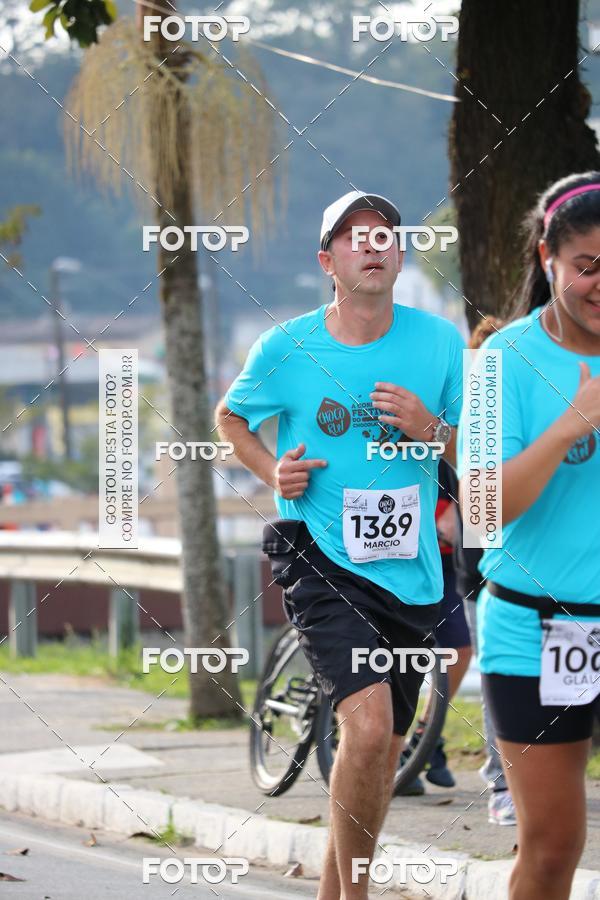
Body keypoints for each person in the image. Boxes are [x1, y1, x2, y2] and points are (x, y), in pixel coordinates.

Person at [216, 189, 465, 900]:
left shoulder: (438, 342)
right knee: (370, 721)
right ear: (328, 260)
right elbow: (231, 417)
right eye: (356, 236)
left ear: (400, 253)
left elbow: (482, 452)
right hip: (321, 553)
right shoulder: (287, 347)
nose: (374, 243)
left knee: (383, 748)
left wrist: (431, 429)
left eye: (386, 233)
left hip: (412, 570)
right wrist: (272, 470)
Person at [457, 172, 600, 900]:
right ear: (549, 258)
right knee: (551, 851)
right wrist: (576, 421)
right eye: (588, 266)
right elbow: (483, 506)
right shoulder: (501, 360)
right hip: (536, 630)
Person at [455, 316, 517, 826]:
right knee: (496, 675)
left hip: (516, 561)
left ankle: (505, 779)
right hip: (480, 567)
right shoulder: (468, 401)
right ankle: (501, 781)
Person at [396, 458, 473, 795]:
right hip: (393, 557)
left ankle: (425, 737)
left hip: (445, 560)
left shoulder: (466, 426)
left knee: (458, 649)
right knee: (393, 651)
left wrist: (460, 509)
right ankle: (392, 743)